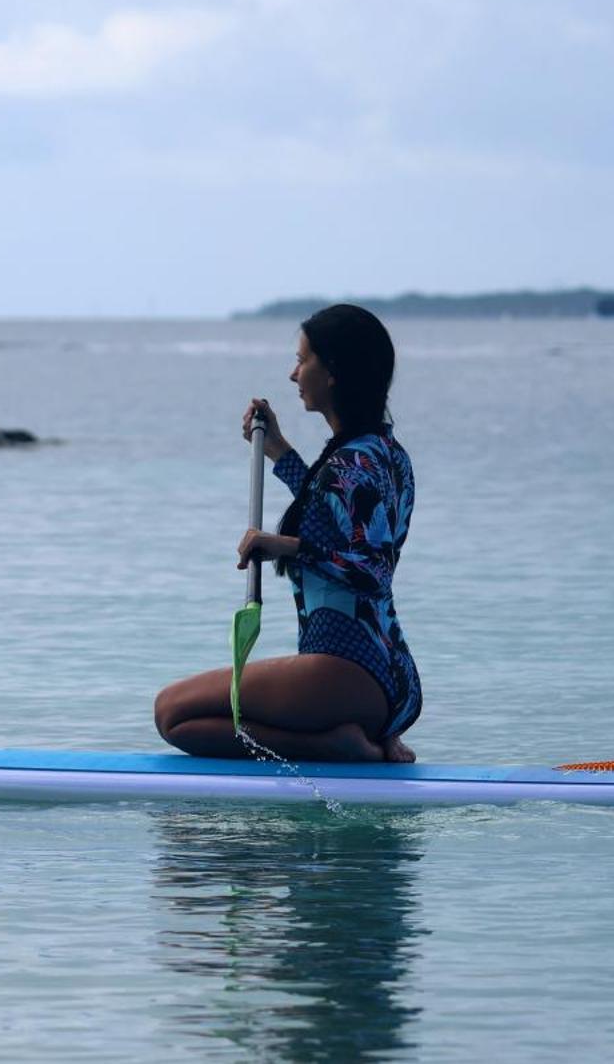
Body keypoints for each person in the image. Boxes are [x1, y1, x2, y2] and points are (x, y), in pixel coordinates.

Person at [154, 304, 421, 764]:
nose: (293, 374)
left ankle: (336, 745)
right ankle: (357, 735)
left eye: (303, 360)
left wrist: (285, 546)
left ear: (333, 370)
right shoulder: (383, 453)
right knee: (186, 716)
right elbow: (336, 515)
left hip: (346, 670)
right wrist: (278, 451)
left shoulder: (353, 461)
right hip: (388, 677)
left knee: (173, 715)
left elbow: (371, 570)